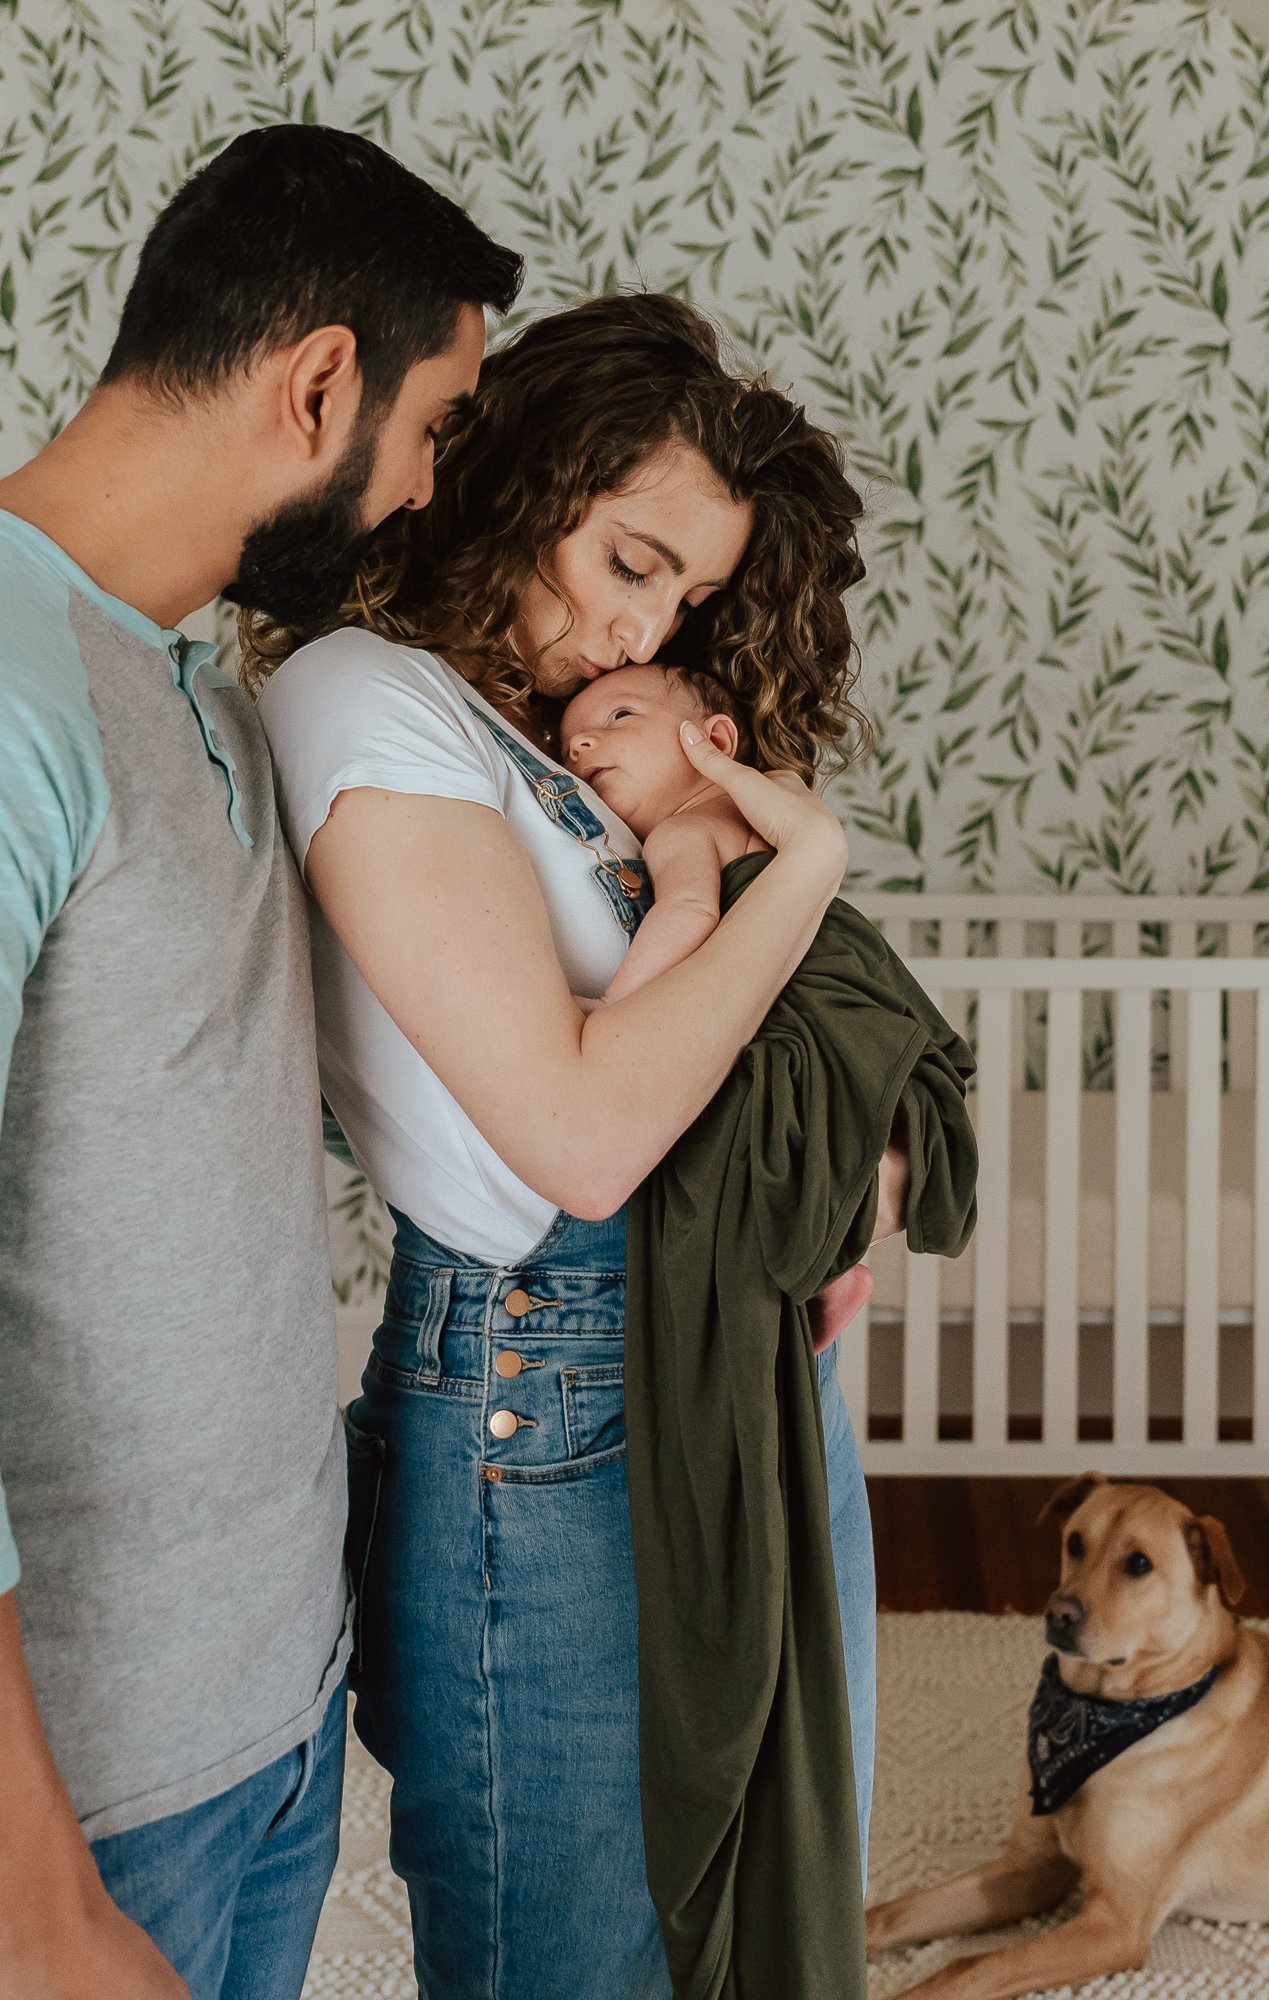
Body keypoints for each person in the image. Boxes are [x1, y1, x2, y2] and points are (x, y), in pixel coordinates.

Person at [250, 290, 904, 2000]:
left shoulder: (551, 750)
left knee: (763, 1884)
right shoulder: (363, 700)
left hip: (729, 1343)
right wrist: (807, 866)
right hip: (554, 1368)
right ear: (524, 478)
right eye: (628, 561)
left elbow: (734, 1051)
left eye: (683, 598)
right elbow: (590, 1134)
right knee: (581, 1947)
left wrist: (842, 1184)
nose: (643, 634)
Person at [0, 123, 520, 2000]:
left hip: (270, 1718)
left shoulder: (196, 686)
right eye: (437, 428)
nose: (427, 492)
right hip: (88, 1792)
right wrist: (39, 1903)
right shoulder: (7, 699)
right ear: (319, 383)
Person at [560, 659, 880, 1346]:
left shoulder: (684, 829)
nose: (581, 745)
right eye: (568, 743)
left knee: (714, 1138)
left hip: (786, 1018)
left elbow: (687, 914)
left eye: (619, 717)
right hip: (840, 1028)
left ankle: (814, 1264)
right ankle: (829, 1264)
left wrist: (617, 1009)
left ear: (714, 742)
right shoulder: (766, 811)